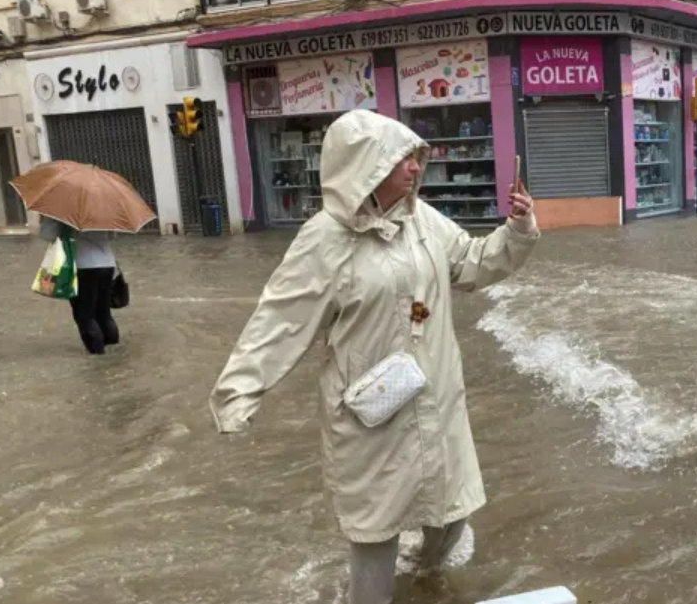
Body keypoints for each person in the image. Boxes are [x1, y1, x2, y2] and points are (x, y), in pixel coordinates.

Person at [209, 110, 539, 604]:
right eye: (402, 158)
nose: (414, 167)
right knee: (375, 531)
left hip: (436, 395)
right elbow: (281, 319)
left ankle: (424, 582)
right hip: (372, 412)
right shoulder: (324, 239)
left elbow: (470, 264)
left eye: (414, 157)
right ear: (367, 165)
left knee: (451, 511)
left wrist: (516, 231)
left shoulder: (422, 221)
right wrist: (240, 389)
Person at [39, 217, 119, 355]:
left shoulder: (64, 211)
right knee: (103, 312)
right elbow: (112, 235)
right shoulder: (103, 208)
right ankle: (114, 351)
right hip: (107, 263)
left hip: (82, 265)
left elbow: (48, 235)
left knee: (85, 315)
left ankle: (97, 356)